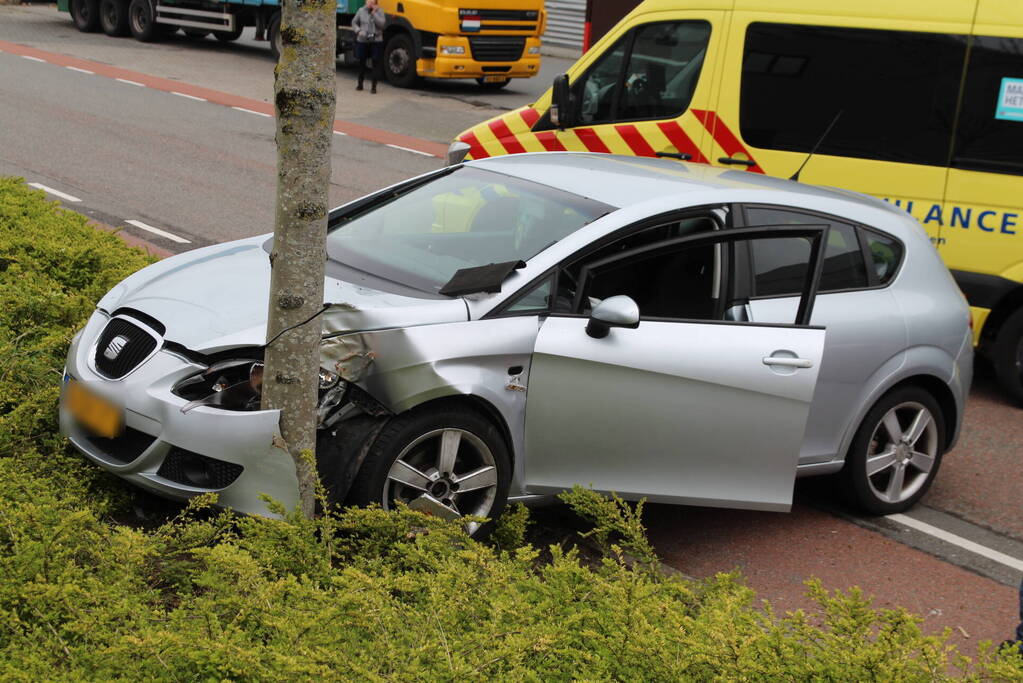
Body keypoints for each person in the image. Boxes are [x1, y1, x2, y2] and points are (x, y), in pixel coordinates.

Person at [352, 0, 386, 94]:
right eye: (368, 1)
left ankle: (374, 87)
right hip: (363, 40)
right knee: (361, 62)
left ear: (375, 3)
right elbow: (354, 22)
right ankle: (360, 83)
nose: (370, 3)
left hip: (376, 40)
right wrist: (358, 31)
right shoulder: (361, 10)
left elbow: (382, 25)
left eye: (372, 1)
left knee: (375, 62)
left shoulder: (380, 11)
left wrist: (374, 14)